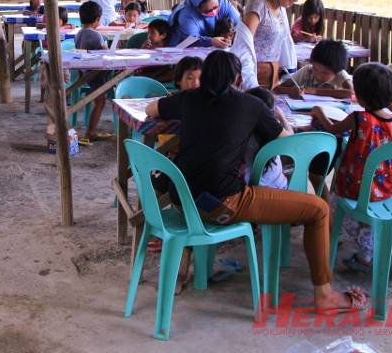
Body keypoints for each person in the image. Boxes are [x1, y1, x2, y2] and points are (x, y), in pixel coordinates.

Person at [144, 50, 367, 312]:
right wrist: (279, 118)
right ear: (237, 79)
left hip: (181, 200)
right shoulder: (250, 105)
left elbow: (151, 108)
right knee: (319, 210)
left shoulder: (187, 99)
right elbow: (286, 142)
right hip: (222, 203)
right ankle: (325, 295)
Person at [313, 63, 392, 272]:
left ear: (360, 97)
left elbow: (332, 129)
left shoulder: (358, 119)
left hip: (352, 188)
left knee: (335, 206)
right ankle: (367, 248)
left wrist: (319, 113)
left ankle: (366, 245)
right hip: (386, 189)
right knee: (366, 209)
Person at [246, 0, 310, 88]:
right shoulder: (258, 6)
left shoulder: (281, 9)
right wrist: (249, 80)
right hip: (253, 74)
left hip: (273, 74)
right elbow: (245, 45)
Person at [74, 0, 112, 143]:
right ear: (97, 19)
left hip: (85, 72)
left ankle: (92, 130)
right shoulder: (95, 35)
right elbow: (106, 53)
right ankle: (91, 131)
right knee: (100, 102)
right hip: (95, 74)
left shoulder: (79, 33)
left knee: (100, 101)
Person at [245, 87, 292, 190]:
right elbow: (291, 139)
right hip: (279, 188)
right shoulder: (277, 135)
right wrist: (282, 117)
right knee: (289, 170)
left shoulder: (243, 132)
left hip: (251, 188)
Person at [275, 39, 353, 99]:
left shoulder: (340, 74)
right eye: (315, 69)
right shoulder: (307, 71)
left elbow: (351, 93)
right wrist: (291, 91)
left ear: (337, 71)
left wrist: (315, 91)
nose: (318, 75)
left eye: (325, 73)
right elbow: (277, 88)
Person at [167, 0, 240, 48]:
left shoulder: (223, 3)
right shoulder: (187, 15)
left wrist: (231, 35)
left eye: (215, 7)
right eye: (208, 11)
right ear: (198, 9)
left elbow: (240, 24)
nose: (213, 12)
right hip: (184, 45)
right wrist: (211, 41)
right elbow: (190, 40)